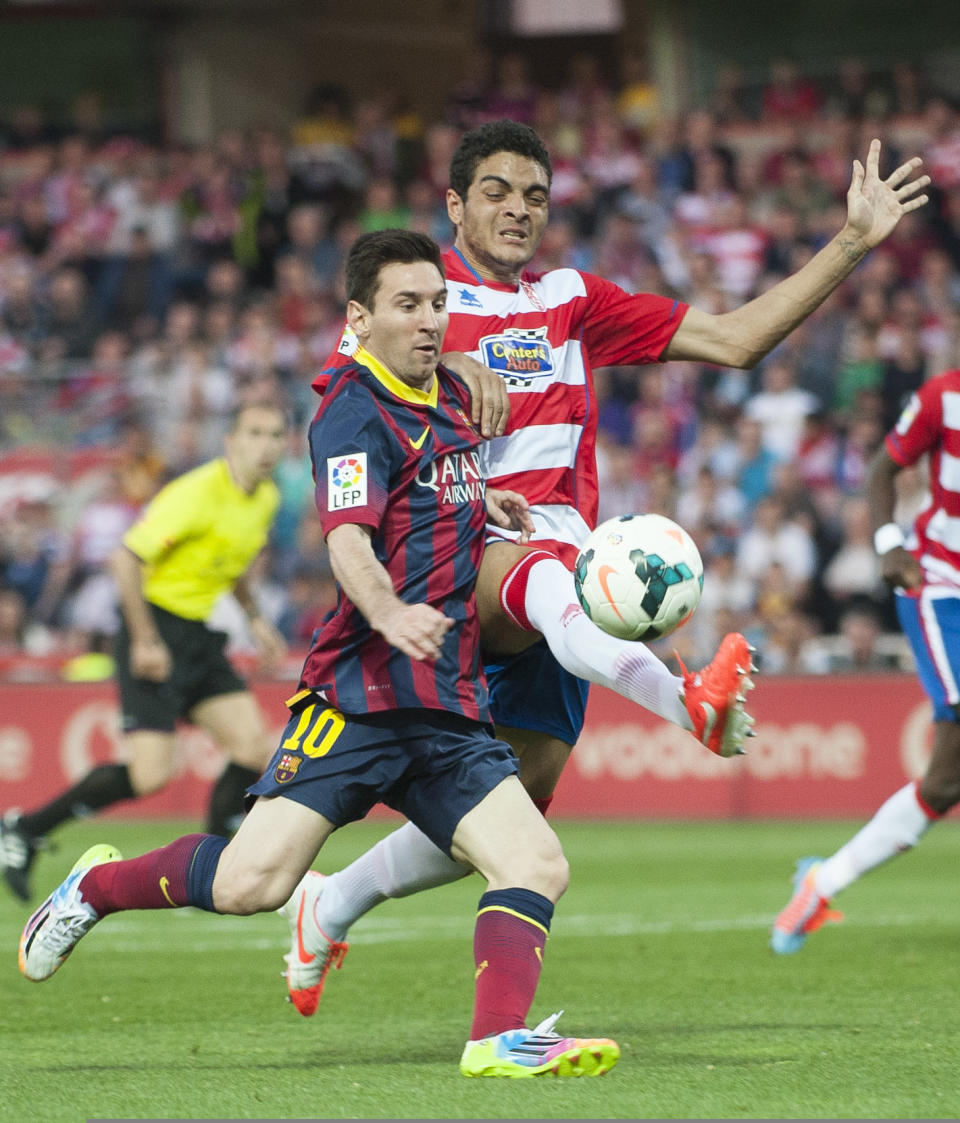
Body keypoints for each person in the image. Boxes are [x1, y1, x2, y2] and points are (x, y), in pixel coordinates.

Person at [281, 118, 930, 1011]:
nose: (518, 210)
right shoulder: (421, 302)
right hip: (463, 560)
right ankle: (684, 699)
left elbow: (738, 339)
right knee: (556, 564)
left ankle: (332, 901)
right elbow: (348, 386)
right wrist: (445, 358)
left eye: (535, 196)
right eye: (498, 192)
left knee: (513, 806)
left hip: (557, 579)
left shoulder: (572, 299)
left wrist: (852, 242)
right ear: (455, 204)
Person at [18, 229, 619, 1080]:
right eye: (407, 306)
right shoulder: (350, 411)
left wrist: (493, 499)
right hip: (361, 698)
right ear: (360, 318)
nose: (428, 322)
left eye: (438, 304)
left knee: (536, 860)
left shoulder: (449, 394)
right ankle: (94, 887)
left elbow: (437, 489)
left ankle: (496, 1039)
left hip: (446, 705)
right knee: (248, 884)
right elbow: (349, 543)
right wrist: (390, 612)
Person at [0, 402, 289, 902]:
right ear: (232, 442)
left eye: (275, 434)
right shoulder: (195, 493)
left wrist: (257, 620)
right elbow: (125, 558)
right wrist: (146, 639)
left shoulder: (264, 499)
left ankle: (211, 867)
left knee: (252, 749)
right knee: (151, 773)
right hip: (152, 626)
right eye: (255, 433)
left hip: (197, 636)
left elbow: (232, 560)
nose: (266, 444)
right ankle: (24, 829)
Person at [770, 366, 960, 954]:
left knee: (947, 782)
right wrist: (887, 541)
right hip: (939, 584)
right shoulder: (944, 395)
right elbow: (883, 468)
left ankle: (822, 880)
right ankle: (821, 884)